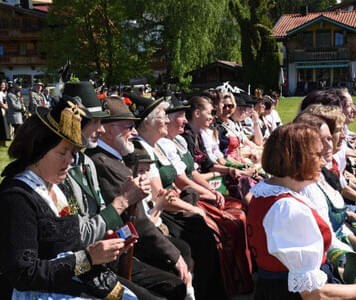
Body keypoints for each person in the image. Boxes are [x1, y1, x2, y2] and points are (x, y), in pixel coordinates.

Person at [0, 96, 138, 299]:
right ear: (37, 152)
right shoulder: (17, 198)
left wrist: (106, 245)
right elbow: (24, 273)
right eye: (62, 152)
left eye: (72, 152)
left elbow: (71, 242)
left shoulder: (55, 185)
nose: (70, 159)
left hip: (73, 279)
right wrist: (88, 258)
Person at [247, 123, 356, 299]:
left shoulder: (266, 192)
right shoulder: (288, 208)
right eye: (317, 155)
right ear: (298, 160)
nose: (324, 162)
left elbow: (300, 272)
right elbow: (312, 293)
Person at [85, 97, 189, 300]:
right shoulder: (103, 162)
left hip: (127, 242)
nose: (134, 132)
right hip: (118, 250)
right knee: (174, 279)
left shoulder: (113, 158)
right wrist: (173, 255)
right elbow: (138, 220)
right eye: (128, 126)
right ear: (109, 129)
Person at [131, 94, 228, 300]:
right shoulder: (142, 150)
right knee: (200, 239)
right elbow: (161, 197)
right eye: (161, 116)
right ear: (147, 123)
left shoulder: (158, 145)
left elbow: (178, 183)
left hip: (174, 206)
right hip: (162, 214)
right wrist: (193, 208)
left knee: (206, 235)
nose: (166, 120)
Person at [157, 94, 253, 296]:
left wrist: (210, 191)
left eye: (184, 115)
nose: (183, 119)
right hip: (182, 201)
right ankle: (230, 282)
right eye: (180, 115)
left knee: (239, 216)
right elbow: (182, 181)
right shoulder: (165, 144)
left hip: (193, 193)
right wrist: (209, 193)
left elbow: (192, 173)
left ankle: (239, 278)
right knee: (228, 224)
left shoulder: (180, 141)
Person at [0, 80, 9, 146]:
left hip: (4, 111)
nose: (3, 86)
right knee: (2, 127)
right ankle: (2, 143)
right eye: (2, 85)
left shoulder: (4, 93)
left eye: (4, 85)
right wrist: (8, 108)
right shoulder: (0, 93)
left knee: (5, 127)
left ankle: (3, 143)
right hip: (1, 111)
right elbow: (1, 103)